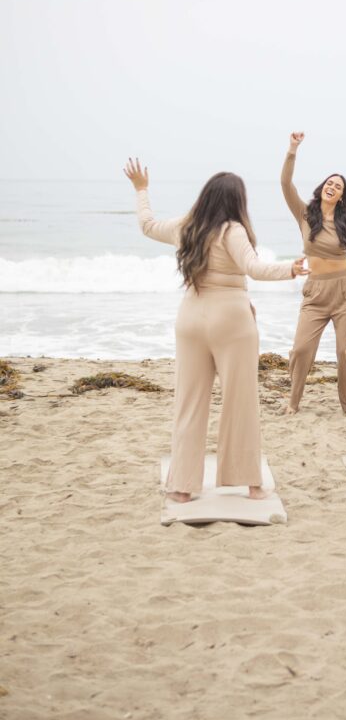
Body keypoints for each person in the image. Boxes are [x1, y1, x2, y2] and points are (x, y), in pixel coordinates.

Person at [123, 159, 307, 502]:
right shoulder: (233, 230)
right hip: (231, 320)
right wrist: (290, 269)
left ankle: (181, 487)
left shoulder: (187, 226)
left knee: (190, 402)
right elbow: (254, 267)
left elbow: (147, 225)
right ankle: (250, 484)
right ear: (238, 200)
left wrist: (141, 189)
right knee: (241, 401)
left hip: (191, 316)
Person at [281, 132, 346, 416]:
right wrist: (292, 150)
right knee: (301, 350)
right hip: (316, 292)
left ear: (343, 196)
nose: (333, 187)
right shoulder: (305, 214)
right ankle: (292, 402)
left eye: (339, 186)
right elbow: (285, 183)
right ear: (322, 188)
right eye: (330, 183)